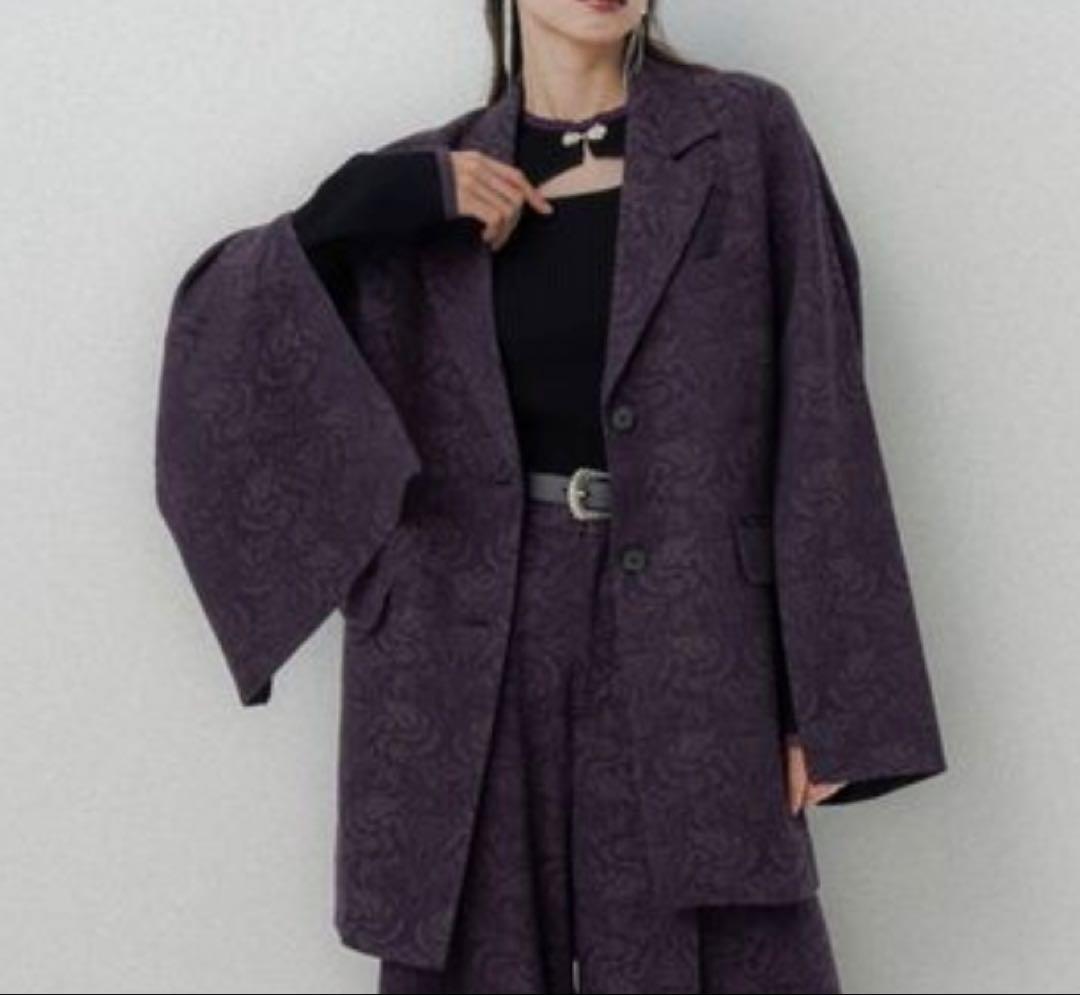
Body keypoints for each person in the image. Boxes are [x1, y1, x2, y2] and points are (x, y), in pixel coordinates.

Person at [156, 1, 947, 991]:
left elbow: (820, 400)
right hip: (467, 647)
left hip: (698, 637)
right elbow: (220, 345)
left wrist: (824, 695)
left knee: (725, 951)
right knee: (472, 951)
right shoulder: (430, 182)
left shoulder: (744, 136)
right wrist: (358, 201)